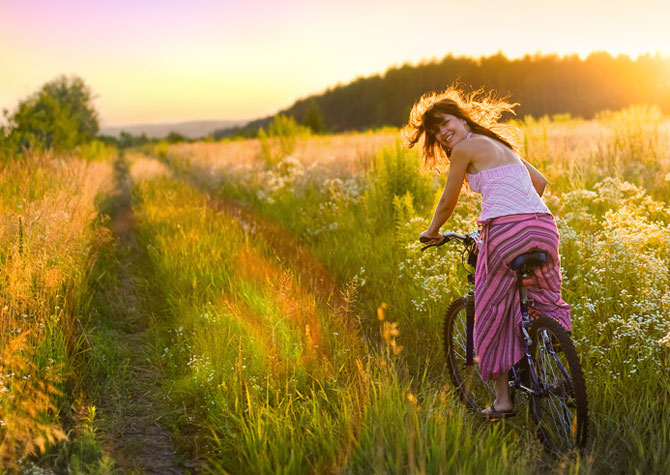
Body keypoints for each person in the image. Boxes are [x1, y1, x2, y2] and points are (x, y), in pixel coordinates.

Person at [402, 86, 571, 419]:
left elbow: (448, 201)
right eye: (436, 132)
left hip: (506, 233)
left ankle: (503, 400)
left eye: (445, 123)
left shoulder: (465, 147)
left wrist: (432, 230)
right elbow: (540, 182)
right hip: (544, 228)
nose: (443, 133)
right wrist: (520, 209)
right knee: (544, 300)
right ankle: (550, 353)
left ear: (462, 118)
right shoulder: (502, 147)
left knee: (491, 310)